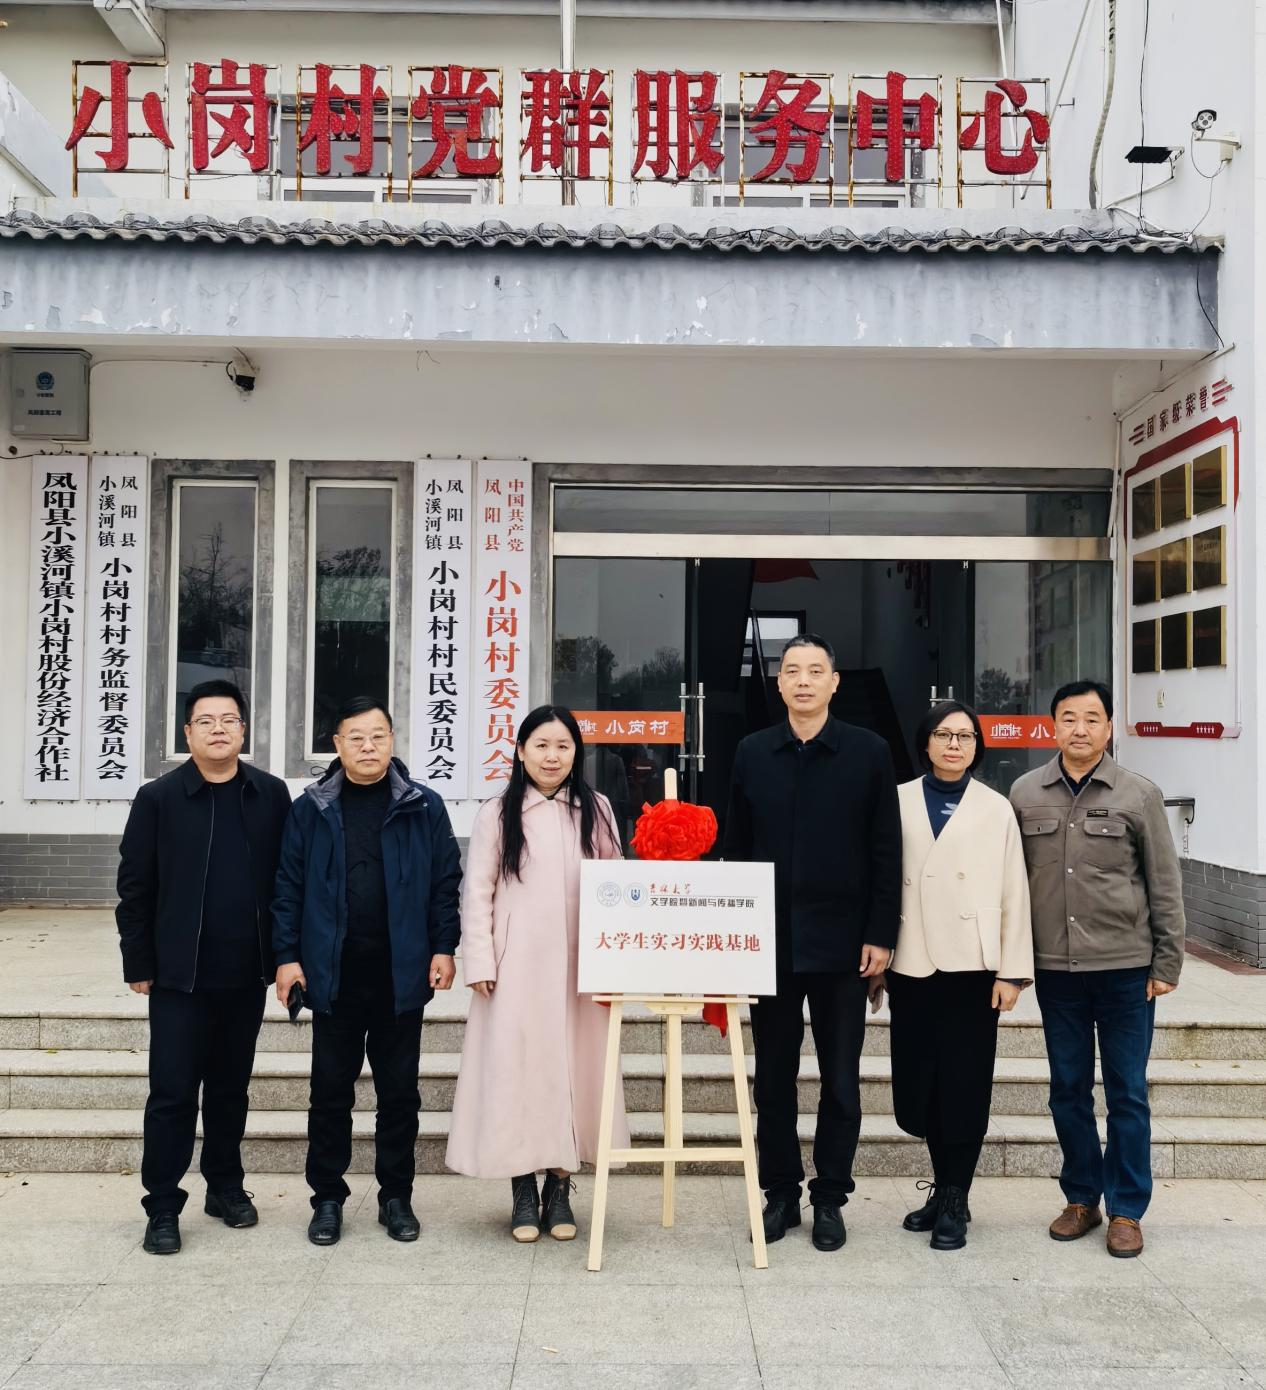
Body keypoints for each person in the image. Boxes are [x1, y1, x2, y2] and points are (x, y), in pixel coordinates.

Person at [723, 634, 901, 1252]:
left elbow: (886, 850)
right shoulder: (752, 751)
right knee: (772, 1079)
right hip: (769, 944)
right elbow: (737, 848)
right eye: (792, 670)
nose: (803, 680)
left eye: (815, 671)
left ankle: (830, 1197)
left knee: (841, 1080)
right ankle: (780, 1193)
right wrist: (736, 938)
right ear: (778, 684)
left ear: (833, 682)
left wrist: (881, 934)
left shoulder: (868, 752)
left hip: (845, 945)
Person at [272, 696, 462, 1246]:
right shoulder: (311, 809)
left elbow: (445, 883)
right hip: (332, 977)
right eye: (355, 737)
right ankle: (327, 1199)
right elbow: (287, 888)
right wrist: (287, 957)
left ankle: (395, 1197)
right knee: (330, 1094)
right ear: (337, 745)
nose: (368, 746)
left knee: (399, 1095)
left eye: (378, 735)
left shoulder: (423, 805)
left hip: (400, 977)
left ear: (392, 740)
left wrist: (443, 947)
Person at [115, 679, 293, 1256]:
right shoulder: (159, 798)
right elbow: (135, 887)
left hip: (245, 974)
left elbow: (286, 883)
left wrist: (285, 958)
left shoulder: (270, 794)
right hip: (178, 977)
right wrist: (138, 960)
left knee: (229, 1090)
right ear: (187, 733)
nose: (219, 729)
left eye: (229, 720)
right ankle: (163, 1205)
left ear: (244, 730)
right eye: (206, 721)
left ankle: (225, 1187)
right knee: (171, 1094)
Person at [1010, 679, 1185, 1258]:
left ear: (1109, 727)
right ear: (1052, 726)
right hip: (1057, 971)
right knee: (1067, 1089)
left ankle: (1127, 1209)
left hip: (1126, 970)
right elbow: (1013, 884)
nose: (1079, 729)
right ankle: (1081, 1197)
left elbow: (1164, 883)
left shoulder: (1139, 794)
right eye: (1068, 718)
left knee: (1127, 1092)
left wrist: (1167, 961)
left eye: (1091, 718)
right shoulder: (1025, 793)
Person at [446, 705, 629, 1242]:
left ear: (577, 753)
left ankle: (560, 1188)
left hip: (581, 968)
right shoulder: (496, 812)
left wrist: (618, 958)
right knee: (518, 1074)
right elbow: (477, 892)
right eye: (542, 745)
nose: (552, 756)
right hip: (515, 970)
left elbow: (616, 886)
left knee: (576, 1073)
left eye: (563, 746)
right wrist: (479, 960)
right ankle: (522, 1190)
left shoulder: (596, 809)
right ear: (521, 751)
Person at [879, 700, 1033, 1251]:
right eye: (944, 734)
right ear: (925, 742)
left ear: (977, 747)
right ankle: (940, 1185)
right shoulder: (896, 799)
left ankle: (955, 1197)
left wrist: (1013, 972)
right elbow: (880, 878)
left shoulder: (996, 808)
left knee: (965, 1084)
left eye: (965, 736)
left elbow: (1014, 889)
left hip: (973, 965)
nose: (954, 744)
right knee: (921, 1082)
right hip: (912, 959)